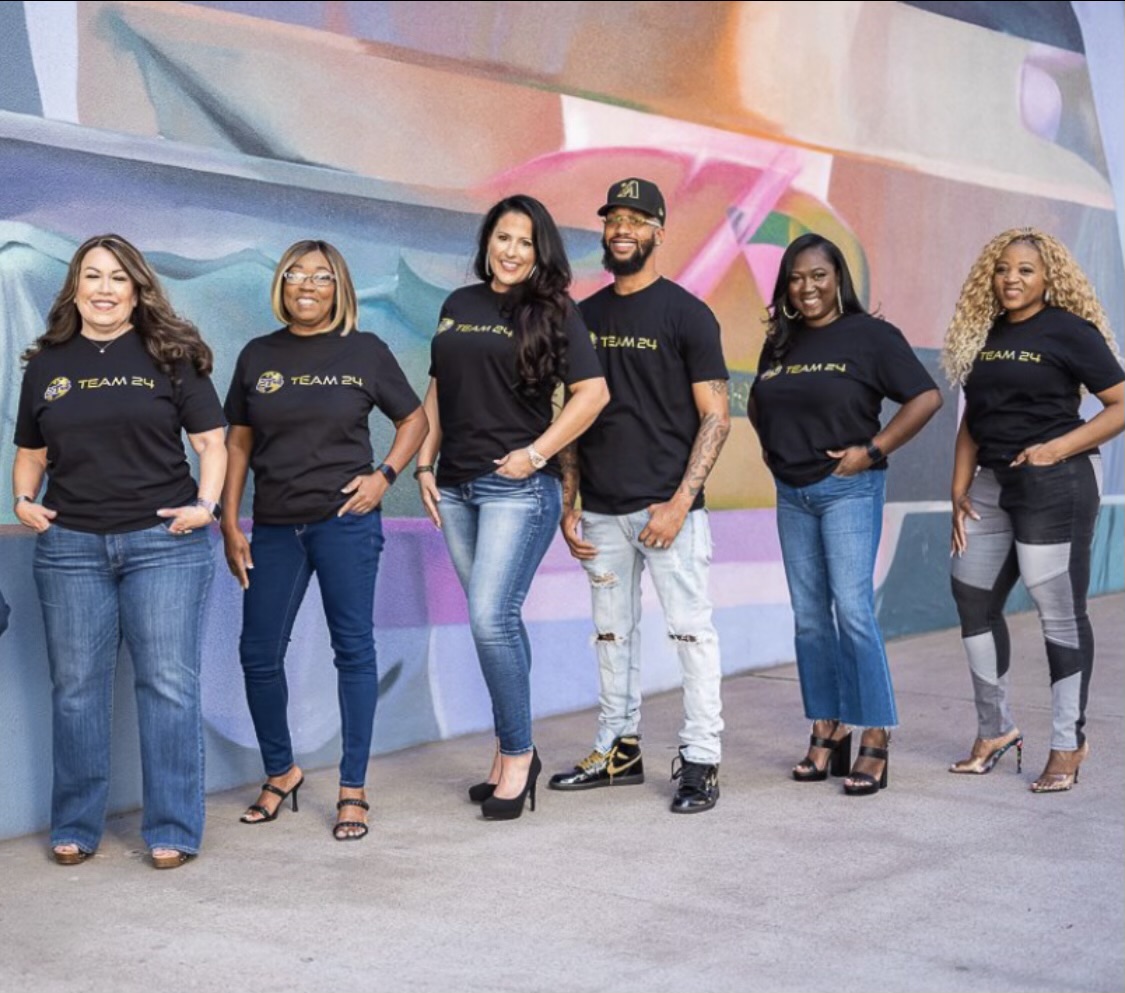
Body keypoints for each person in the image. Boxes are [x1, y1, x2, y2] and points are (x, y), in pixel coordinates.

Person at [13, 234, 226, 868]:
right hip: (70, 548)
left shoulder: (172, 356)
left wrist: (207, 508)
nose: (104, 289)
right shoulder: (47, 364)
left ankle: (173, 828)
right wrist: (25, 499)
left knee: (167, 686)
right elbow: (30, 453)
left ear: (137, 290)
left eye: (117, 279)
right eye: (92, 276)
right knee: (76, 689)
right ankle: (75, 825)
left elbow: (212, 444)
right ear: (74, 286)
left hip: (165, 545)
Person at [222, 240, 427, 841]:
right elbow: (238, 442)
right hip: (277, 527)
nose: (305, 285)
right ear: (280, 284)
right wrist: (231, 520)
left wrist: (384, 475)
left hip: (346, 525)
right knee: (258, 654)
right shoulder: (258, 355)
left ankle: (353, 788)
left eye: (319, 277)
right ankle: (282, 771)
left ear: (338, 288)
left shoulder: (365, 351)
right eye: (294, 275)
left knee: (353, 650)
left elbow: (414, 419)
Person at [416, 194, 609, 821]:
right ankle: (508, 754)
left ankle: (519, 756)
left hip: (517, 489)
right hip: (457, 486)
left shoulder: (555, 311)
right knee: (497, 621)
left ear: (540, 251)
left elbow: (593, 393)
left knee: (490, 618)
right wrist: (424, 461)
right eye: (503, 237)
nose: (512, 250)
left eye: (526, 241)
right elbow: (439, 389)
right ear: (488, 242)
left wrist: (536, 453)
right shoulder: (458, 305)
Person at [550, 177, 732, 814]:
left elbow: (717, 416)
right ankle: (617, 750)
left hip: (667, 512)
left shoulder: (687, 313)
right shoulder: (585, 316)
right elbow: (574, 410)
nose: (621, 229)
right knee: (611, 636)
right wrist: (569, 500)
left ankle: (701, 759)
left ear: (658, 231)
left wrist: (681, 502)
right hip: (599, 510)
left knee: (690, 635)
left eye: (635, 219)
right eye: (612, 219)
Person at [748, 232, 942, 796]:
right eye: (796, 277)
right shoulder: (779, 343)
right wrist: (774, 453)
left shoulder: (871, 336)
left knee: (853, 610)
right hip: (793, 493)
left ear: (838, 281)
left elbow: (925, 396)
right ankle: (826, 726)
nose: (806, 287)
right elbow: (762, 402)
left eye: (818, 276)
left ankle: (876, 733)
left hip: (848, 490)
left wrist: (874, 450)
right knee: (809, 617)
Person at [942, 228, 1124, 793]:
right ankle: (995, 729)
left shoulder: (1071, 331)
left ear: (1048, 277)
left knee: (1059, 612)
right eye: (1002, 269)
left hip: (1057, 481)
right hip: (994, 482)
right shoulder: (985, 333)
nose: (1011, 278)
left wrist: (1055, 448)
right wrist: (958, 488)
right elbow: (974, 416)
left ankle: (1068, 741)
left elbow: (1119, 404)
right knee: (972, 597)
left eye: (1024, 269)